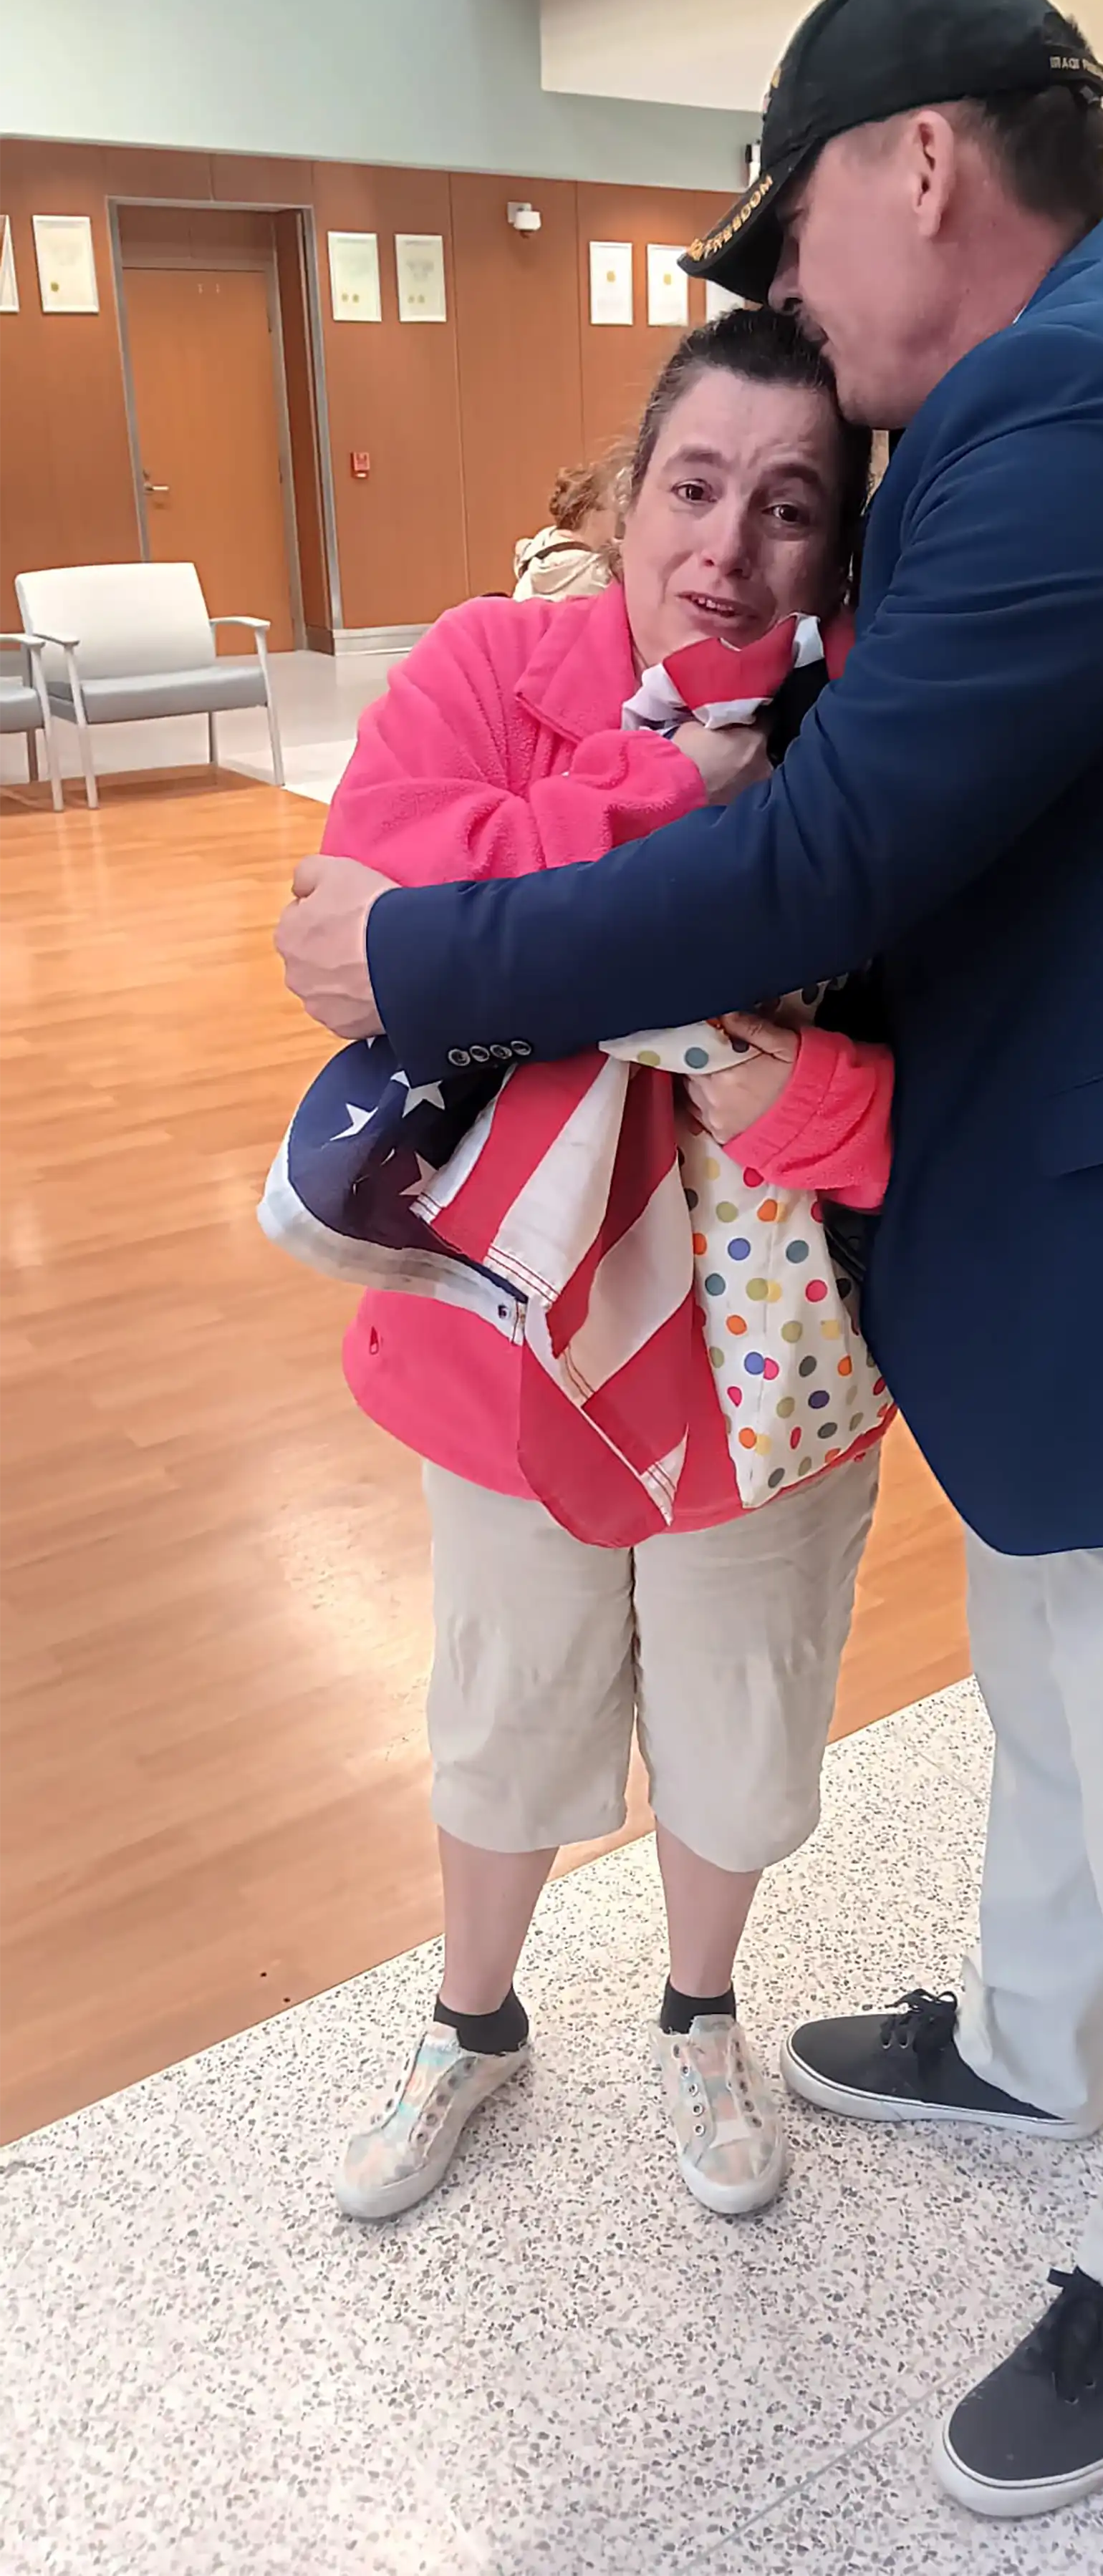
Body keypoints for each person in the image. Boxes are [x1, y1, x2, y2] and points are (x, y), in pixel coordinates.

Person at [275, 0, 1103, 2526]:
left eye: (793, 230)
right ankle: (1032, 2044)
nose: (791, 300)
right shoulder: (1048, 384)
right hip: (1059, 1235)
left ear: (913, 163)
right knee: (1059, 1693)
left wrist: (411, 955)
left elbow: (824, 858)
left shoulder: (1088, 404)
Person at [314, 309, 890, 2231]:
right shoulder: (496, 661)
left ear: (840, 547)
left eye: (790, 507)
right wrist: (668, 826)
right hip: (505, 1346)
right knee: (502, 1696)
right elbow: (374, 907)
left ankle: (696, 2011)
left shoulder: (880, 739)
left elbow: (907, 1083)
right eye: (698, 485)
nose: (729, 544)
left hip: (772, 1354)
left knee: (740, 1709)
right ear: (627, 498)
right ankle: (473, 2021)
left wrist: (635, 988)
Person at [509, 455, 620, 601]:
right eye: (613, 507)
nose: (618, 515)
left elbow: (522, 546)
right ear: (593, 516)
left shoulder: (535, 552)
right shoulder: (599, 577)